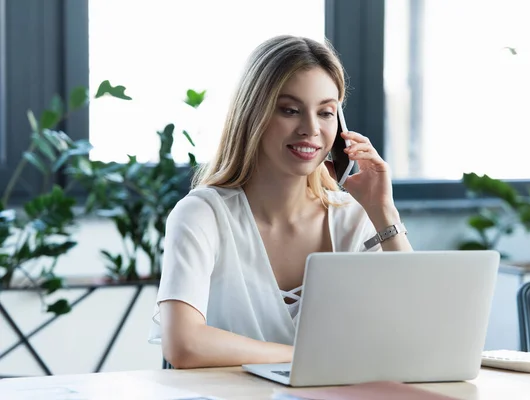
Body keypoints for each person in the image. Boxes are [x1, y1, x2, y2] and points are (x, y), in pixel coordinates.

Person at [148, 34, 413, 369]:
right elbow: (184, 345)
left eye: (326, 112)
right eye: (290, 110)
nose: (311, 128)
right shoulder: (202, 214)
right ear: (253, 115)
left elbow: (416, 333)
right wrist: (310, 358)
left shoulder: (352, 220)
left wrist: (382, 210)